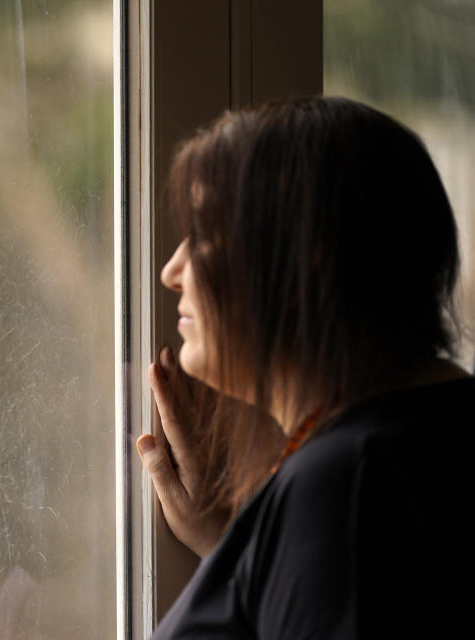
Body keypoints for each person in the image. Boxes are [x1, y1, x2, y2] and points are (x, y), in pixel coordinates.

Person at [135, 96, 473, 638]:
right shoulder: (424, 432)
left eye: (202, 235)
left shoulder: (349, 487)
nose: (172, 271)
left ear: (303, 259)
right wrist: (240, 546)